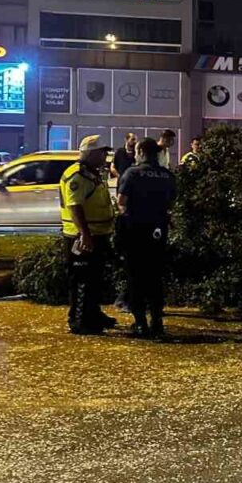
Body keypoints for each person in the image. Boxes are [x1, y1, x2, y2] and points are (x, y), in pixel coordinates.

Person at [116, 137, 177, 338]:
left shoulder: (132, 174)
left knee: (136, 277)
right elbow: (171, 204)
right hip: (158, 232)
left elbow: (121, 201)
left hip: (135, 231)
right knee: (155, 277)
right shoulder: (167, 175)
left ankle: (141, 323)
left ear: (140, 152)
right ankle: (157, 322)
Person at [60, 135, 118, 335]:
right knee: (82, 281)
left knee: (94, 280)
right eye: (103, 152)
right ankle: (79, 321)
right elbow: (74, 206)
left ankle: (92, 314)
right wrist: (84, 234)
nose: (106, 156)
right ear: (92, 153)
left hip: (97, 235)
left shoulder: (92, 173)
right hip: (82, 237)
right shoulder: (78, 175)